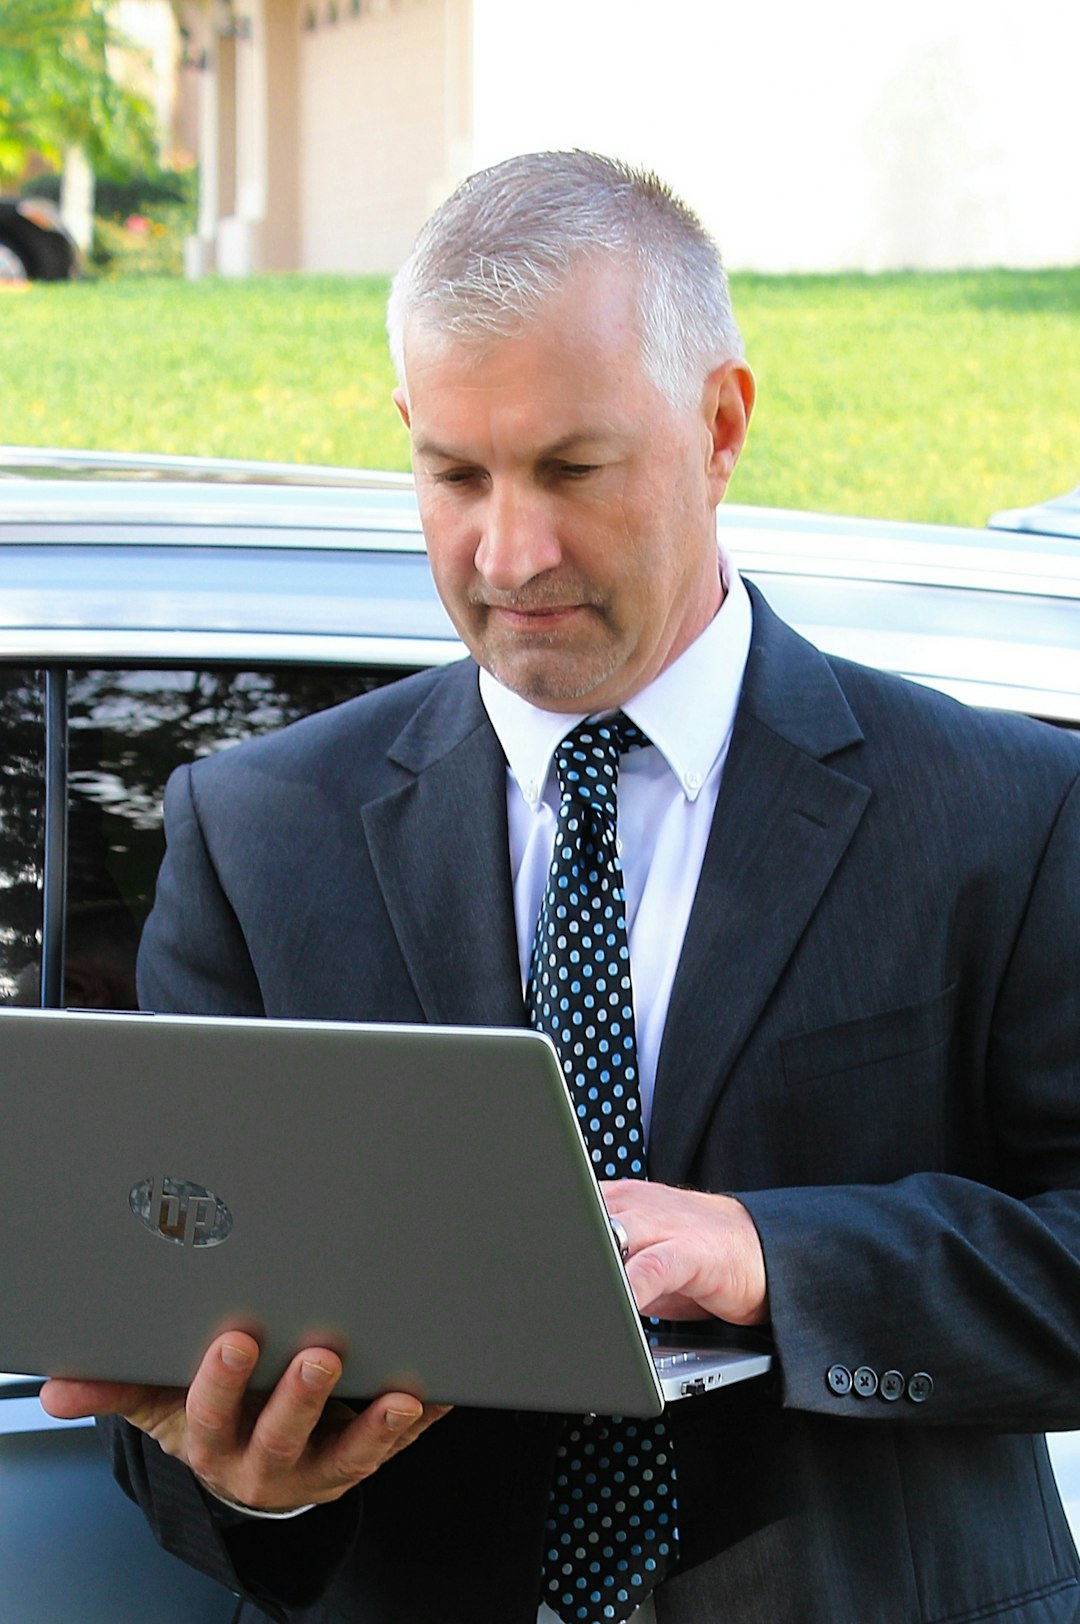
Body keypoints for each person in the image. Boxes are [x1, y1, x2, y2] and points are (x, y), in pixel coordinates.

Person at [42, 151, 1080, 1624]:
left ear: (721, 424)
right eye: (455, 474)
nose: (508, 553)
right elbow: (170, 1344)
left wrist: (774, 1253)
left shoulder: (1001, 808)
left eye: (573, 471)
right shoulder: (259, 828)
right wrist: (237, 1476)